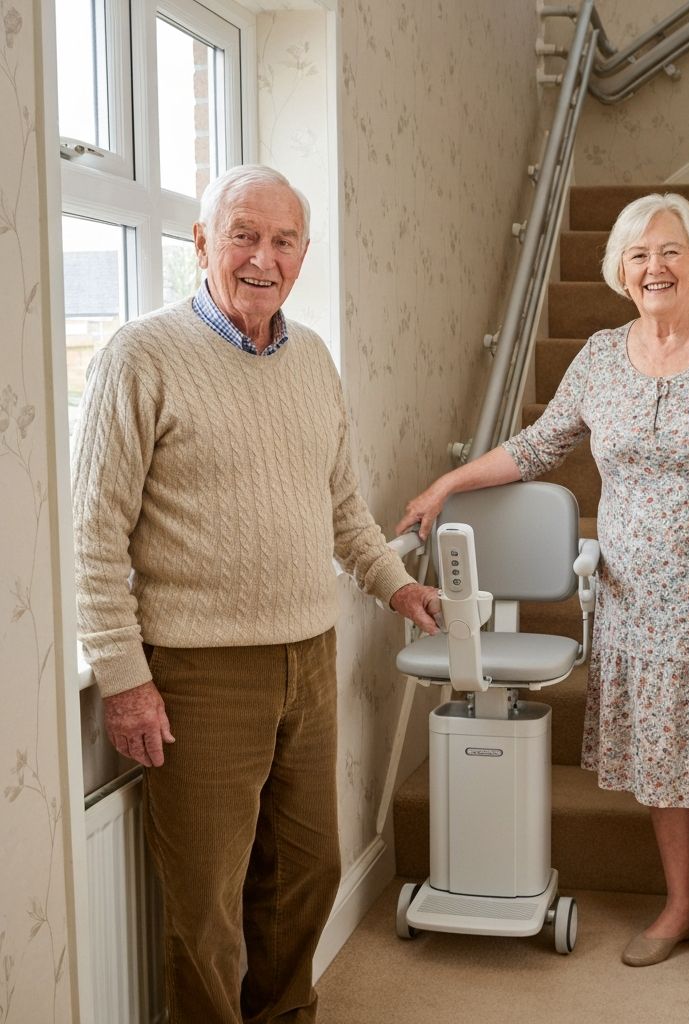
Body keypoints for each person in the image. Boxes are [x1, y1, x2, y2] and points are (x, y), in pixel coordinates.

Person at [397, 192, 689, 994]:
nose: (655, 267)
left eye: (669, 251)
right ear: (620, 273)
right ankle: (679, 905)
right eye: (639, 255)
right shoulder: (598, 356)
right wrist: (449, 482)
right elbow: (538, 446)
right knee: (663, 755)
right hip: (640, 600)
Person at [73, 164, 440, 1024]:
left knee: (306, 875)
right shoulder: (141, 354)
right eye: (243, 234)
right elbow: (95, 536)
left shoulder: (311, 357)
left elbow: (342, 506)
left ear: (304, 255)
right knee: (206, 909)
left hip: (308, 657)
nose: (262, 257)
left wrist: (395, 585)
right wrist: (123, 677)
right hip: (199, 673)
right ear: (201, 243)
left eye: (282, 240)